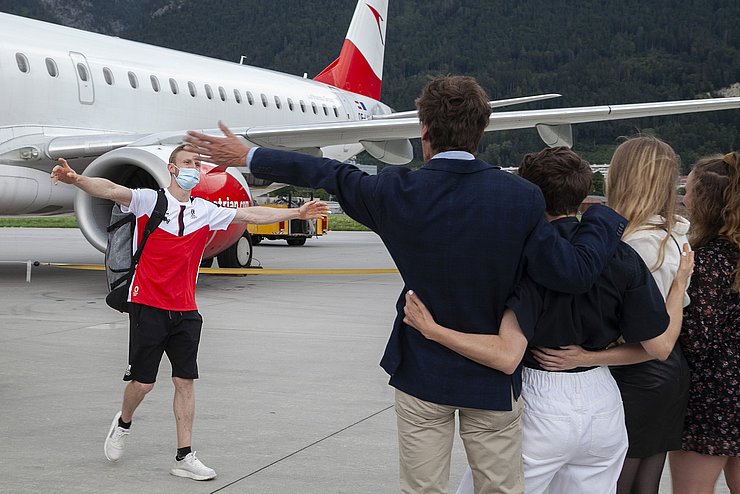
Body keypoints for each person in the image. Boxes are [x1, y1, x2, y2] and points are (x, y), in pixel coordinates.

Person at [184, 76, 627, 494]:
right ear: (482, 129)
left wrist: (251, 156)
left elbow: (330, 174)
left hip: (422, 369)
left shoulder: (395, 192)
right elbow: (571, 272)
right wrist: (604, 217)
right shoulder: (520, 197)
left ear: (424, 129)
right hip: (492, 376)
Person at [402, 147, 693, 494]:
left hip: (541, 396)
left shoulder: (522, 255)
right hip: (603, 402)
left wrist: (433, 330)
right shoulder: (622, 254)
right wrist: (678, 289)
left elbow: (506, 353)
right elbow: (659, 347)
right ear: (582, 194)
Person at [50, 145, 328, 481]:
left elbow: (251, 215)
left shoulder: (205, 210)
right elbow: (109, 189)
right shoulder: (149, 200)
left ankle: (184, 455)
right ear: (171, 168)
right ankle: (123, 422)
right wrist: (76, 178)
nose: (194, 168)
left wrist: (295, 216)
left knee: (185, 382)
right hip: (148, 305)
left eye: (197, 164)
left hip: (186, 309)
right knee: (144, 383)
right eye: (187, 163)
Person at [534, 136, 692, 494]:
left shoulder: (626, 246)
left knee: (613, 481)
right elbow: (671, 326)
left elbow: (653, 341)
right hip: (668, 376)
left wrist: (586, 357)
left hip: (634, 369)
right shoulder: (678, 235)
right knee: (645, 480)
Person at [669, 151, 740, 494]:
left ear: (707, 203)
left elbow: (697, 339)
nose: (684, 198)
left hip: (711, 398)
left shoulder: (710, 260)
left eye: (690, 191)